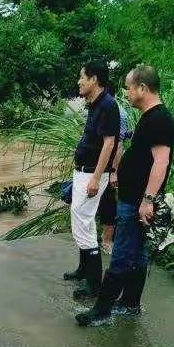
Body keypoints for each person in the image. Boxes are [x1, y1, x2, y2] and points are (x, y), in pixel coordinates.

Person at [76, 65, 174, 326]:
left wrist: (148, 200)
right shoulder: (150, 116)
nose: (126, 92)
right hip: (133, 197)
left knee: (121, 253)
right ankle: (130, 303)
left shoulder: (160, 119)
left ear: (143, 88)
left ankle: (101, 311)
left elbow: (161, 162)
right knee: (137, 253)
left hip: (137, 201)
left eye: (129, 87)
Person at [64, 61, 120, 300]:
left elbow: (110, 143)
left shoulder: (108, 105)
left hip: (92, 175)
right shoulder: (95, 104)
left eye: (82, 77)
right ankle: (84, 270)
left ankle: (94, 284)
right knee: (79, 220)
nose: (79, 81)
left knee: (84, 223)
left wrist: (97, 178)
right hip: (83, 172)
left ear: (94, 79)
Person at [98, 83, 131, 255]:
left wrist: (114, 172)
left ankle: (107, 240)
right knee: (105, 201)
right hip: (100, 166)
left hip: (111, 167)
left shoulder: (119, 113)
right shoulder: (101, 110)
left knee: (109, 202)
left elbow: (118, 145)